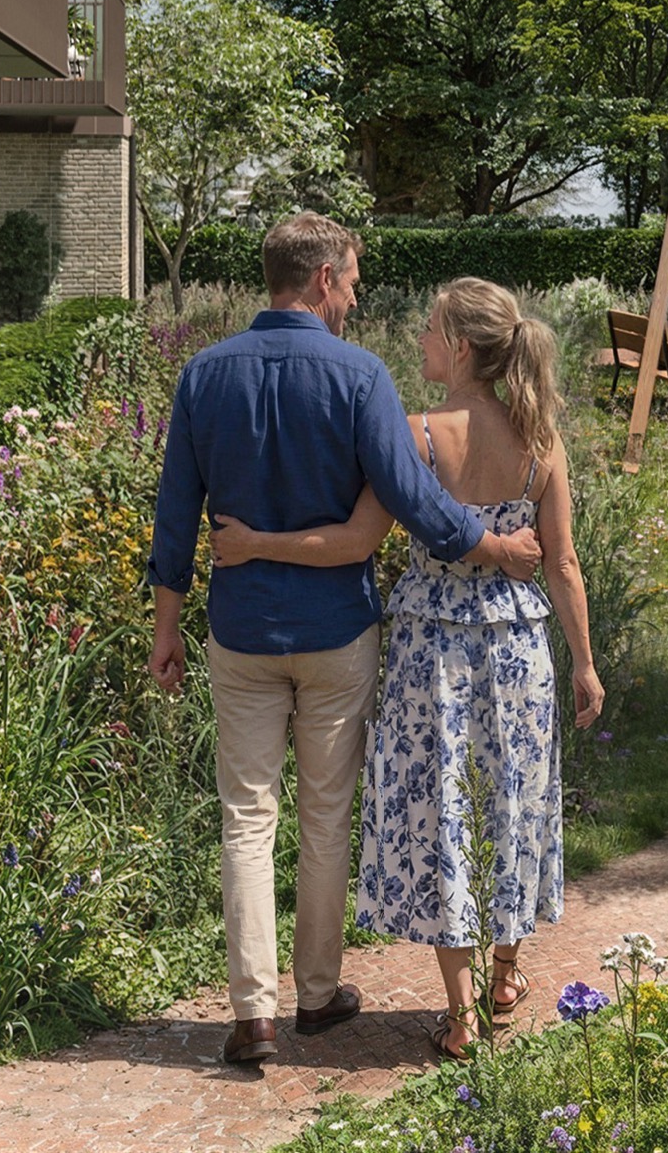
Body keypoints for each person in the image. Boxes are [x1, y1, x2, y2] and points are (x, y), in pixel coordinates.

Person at [146, 215, 545, 1066]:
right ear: (323, 278)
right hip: (336, 633)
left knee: (246, 816)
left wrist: (167, 624)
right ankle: (318, 996)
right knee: (326, 815)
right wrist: (494, 548)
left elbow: (176, 508)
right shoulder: (358, 375)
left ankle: (252, 1012)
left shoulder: (204, 375)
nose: (357, 296)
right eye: (353, 280)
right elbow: (413, 499)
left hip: (241, 630)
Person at [220, 277, 602, 1061]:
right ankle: (505, 976)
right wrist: (586, 667)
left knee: (444, 817)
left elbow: (357, 538)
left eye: (429, 329)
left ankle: (459, 1016)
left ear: (461, 347)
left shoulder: (418, 436)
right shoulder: (543, 438)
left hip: (434, 658)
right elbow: (562, 564)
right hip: (521, 652)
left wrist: (257, 544)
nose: (419, 340)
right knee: (510, 805)